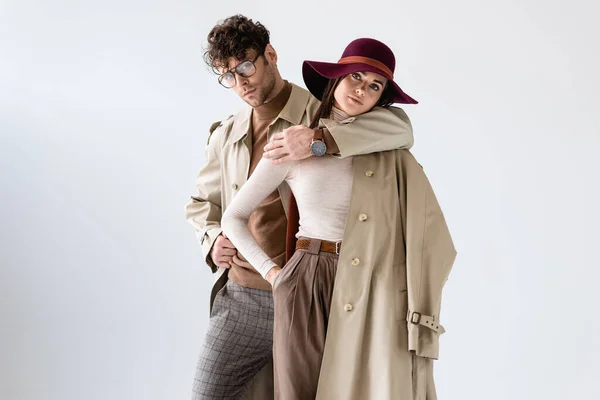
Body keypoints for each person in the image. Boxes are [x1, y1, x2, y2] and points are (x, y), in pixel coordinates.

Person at [184, 16, 414, 400]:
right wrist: (211, 239)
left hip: (319, 291)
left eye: (245, 66)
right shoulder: (225, 133)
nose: (240, 82)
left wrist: (319, 140)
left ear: (270, 55)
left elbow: (400, 130)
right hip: (246, 294)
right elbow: (203, 203)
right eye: (228, 75)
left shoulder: (322, 113)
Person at [221, 38, 456, 400]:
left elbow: (403, 132)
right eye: (355, 77)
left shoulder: (385, 149)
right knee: (300, 388)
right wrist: (275, 275)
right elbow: (233, 216)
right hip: (306, 274)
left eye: (374, 86)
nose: (361, 89)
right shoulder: (290, 143)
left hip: (370, 279)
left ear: (381, 98)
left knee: (364, 387)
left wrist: (319, 141)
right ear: (336, 79)